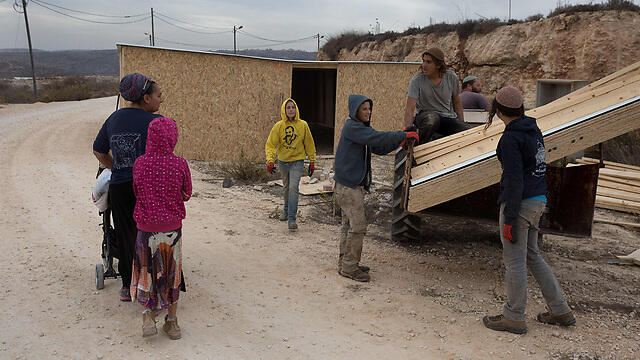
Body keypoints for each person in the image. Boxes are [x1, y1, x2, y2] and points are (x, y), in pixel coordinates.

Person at [482, 87, 575, 335]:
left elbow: (514, 181)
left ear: (499, 111)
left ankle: (513, 316)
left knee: (514, 262)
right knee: (533, 256)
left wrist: (509, 218)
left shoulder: (511, 138)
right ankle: (560, 310)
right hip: (537, 201)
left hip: (519, 205)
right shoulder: (533, 130)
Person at [93, 73, 163, 301]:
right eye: (158, 95)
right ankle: (153, 280)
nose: (161, 99)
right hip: (148, 187)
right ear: (145, 98)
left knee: (125, 234)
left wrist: (116, 167)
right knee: (151, 231)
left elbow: (98, 150)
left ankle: (126, 285)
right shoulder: (156, 122)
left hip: (121, 187)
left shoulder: (113, 119)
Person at [334, 94, 419, 282]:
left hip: (349, 185)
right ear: (355, 110)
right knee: (358, 227)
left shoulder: (360, 129)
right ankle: (349, 267)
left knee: (348, 226)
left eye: (369, 108)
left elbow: (378, 147)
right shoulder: (353, 127)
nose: (368, 112)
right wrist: (403, 134)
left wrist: (399, 142)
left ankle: (347, 263)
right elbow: (377, 138)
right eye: (364, 108)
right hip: (348, 187)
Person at [131, 117, 192, 340]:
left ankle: (148, 316)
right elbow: (187, 193)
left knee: (146, 271)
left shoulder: (140, 163)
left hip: (145, 229)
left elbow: (137, 191)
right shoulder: (180, 164)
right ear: (172, 138)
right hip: (172, 231)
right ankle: (172, 323)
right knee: (171, 274)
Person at [265, 98, 316, 231]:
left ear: (296, 109)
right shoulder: (279, 126)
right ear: (284, 110)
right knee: (286, 187)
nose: (291, 110)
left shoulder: (303, 125)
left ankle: (292, 219)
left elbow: (309, 143)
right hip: (283, 162)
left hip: (297, 161)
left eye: (293, 107)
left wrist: (312, 160)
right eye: (288, 107)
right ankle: (286, 211)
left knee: (294, 188)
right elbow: (271, 144)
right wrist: (270, 160)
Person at [402, 47, 469, 143]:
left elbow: (457, 102)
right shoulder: (417, 80)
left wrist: (461, 123)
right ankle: (419, 147)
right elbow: (409, 109)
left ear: (438, 65)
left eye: (428, 62)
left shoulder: (451, 77)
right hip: (425, 117)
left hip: (447, 117)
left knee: (465, 131)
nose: (424, 65)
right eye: (423, 61)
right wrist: (408, 133)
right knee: (432, 119)